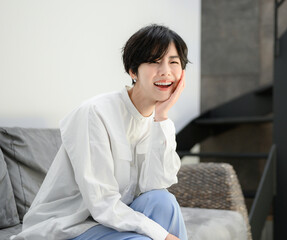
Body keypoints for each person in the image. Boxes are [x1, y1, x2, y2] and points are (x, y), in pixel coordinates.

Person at [11, 24, 189, 240]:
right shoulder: (95, 113)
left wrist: (161, 118)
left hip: (112, 222)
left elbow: (155, 187)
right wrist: (162, 235)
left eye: (173, 62)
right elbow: (102, 203)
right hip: (69, 227)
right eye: (154, 61)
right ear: (133, 71)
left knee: (164, 201)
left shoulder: (158, 120)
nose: (166, 71)